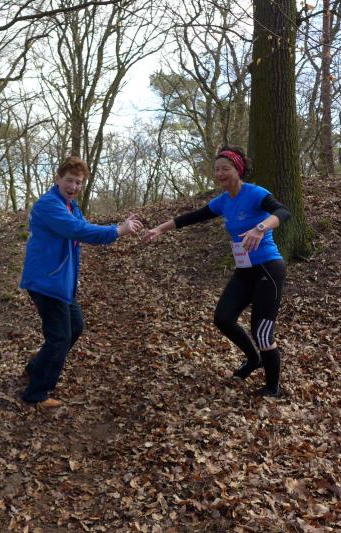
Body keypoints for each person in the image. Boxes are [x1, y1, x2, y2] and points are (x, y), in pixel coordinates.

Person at [143, 146, 290, 398]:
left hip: (268, 268)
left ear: (238, 170)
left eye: (226, 169)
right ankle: (253, 359)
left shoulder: (255, 193)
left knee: (262, 332)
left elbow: (283, 212)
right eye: (217, 169)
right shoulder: (223, 201)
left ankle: (272, 387)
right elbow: (193, 216)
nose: (220, 173)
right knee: (223, 318)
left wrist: (261, 228)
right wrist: (160, 229)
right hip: (244, 270)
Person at [19, 156, 143, 408]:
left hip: (62, 282)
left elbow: (85, 227)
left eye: (78, 182)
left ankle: (36, 368)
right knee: (60, 337)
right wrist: (118, 230)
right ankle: (36, 394)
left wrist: (115, 228)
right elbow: (77, 231)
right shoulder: (49, 205)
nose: (74, 186)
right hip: (46, 281)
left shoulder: (70, 206)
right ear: (57, 178)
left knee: (75, 327)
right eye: (69, 180)